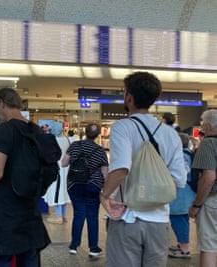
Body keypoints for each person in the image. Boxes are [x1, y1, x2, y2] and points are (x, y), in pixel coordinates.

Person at [100, 72, 186, 267]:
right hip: (159, 221)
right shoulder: (171, 134)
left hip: (127, 218)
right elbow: (179, 180)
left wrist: (104, 195)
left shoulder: (123, 127)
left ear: (128, 96)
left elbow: (121, 168)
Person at [0, 88, 50, 266]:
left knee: (2, 259)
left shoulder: (5, 130)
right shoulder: (36, 131)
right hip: (30, 210)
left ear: (2, 103)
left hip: (5, 214)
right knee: (29, 258)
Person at [61, 123, 108, 257]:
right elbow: (105, 172)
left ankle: (74, 245)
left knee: (79, 213)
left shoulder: (75, 146)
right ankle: (93, 248)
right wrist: (105, 189)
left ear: (85, 132)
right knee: (92, 216)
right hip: (93, 185)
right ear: (98, 135)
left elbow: (64, 163)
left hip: (74, 184)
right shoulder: (100, 150)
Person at [188, 109, 217, 267]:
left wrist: (196, 205)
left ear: (208, 126)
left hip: (213, 201)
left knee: (209, 245)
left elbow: (209, 177)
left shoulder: (209, 143)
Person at [168, 133, 196, 259]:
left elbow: (182, 173)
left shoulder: (182, 156)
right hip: (185, 194)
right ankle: (181, 244)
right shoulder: (187, 153)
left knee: (179, 220)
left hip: (181, 195)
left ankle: (184, 249)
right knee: (181, 220)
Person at [43, 121, 71, 224]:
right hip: (66, 169)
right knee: (63, 191)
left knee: (57, 192)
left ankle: (59, 217)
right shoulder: (67, 139)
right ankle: (63, 216)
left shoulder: (53, 140)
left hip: (57, 169)